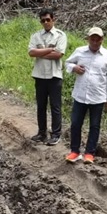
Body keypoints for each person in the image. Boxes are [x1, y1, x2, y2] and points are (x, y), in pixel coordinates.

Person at [63, 27, 107, 164]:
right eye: (92, 38)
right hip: (80, 95)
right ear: (88, 39)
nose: (94, 41)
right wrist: (74, 68)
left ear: (102, 40)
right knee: (75, 124)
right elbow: (67, 63)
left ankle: (89, 153)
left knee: (95, 126)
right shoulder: (80, 52)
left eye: (97, 39)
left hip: (98, 97)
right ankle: (74, 151)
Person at [27, 8, 68, 145]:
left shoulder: (60, 35)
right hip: (39, 75)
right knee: (41, 106)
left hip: (54, 75)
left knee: (55, 106)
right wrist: (50, 49)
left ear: (53, 19)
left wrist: (40, 53)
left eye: (48, 20)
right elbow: (31, 53)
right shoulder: (36, 36)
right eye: (43, 20)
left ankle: (56, 134)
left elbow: (59, 54)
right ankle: (41, 132)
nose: (45, 22)